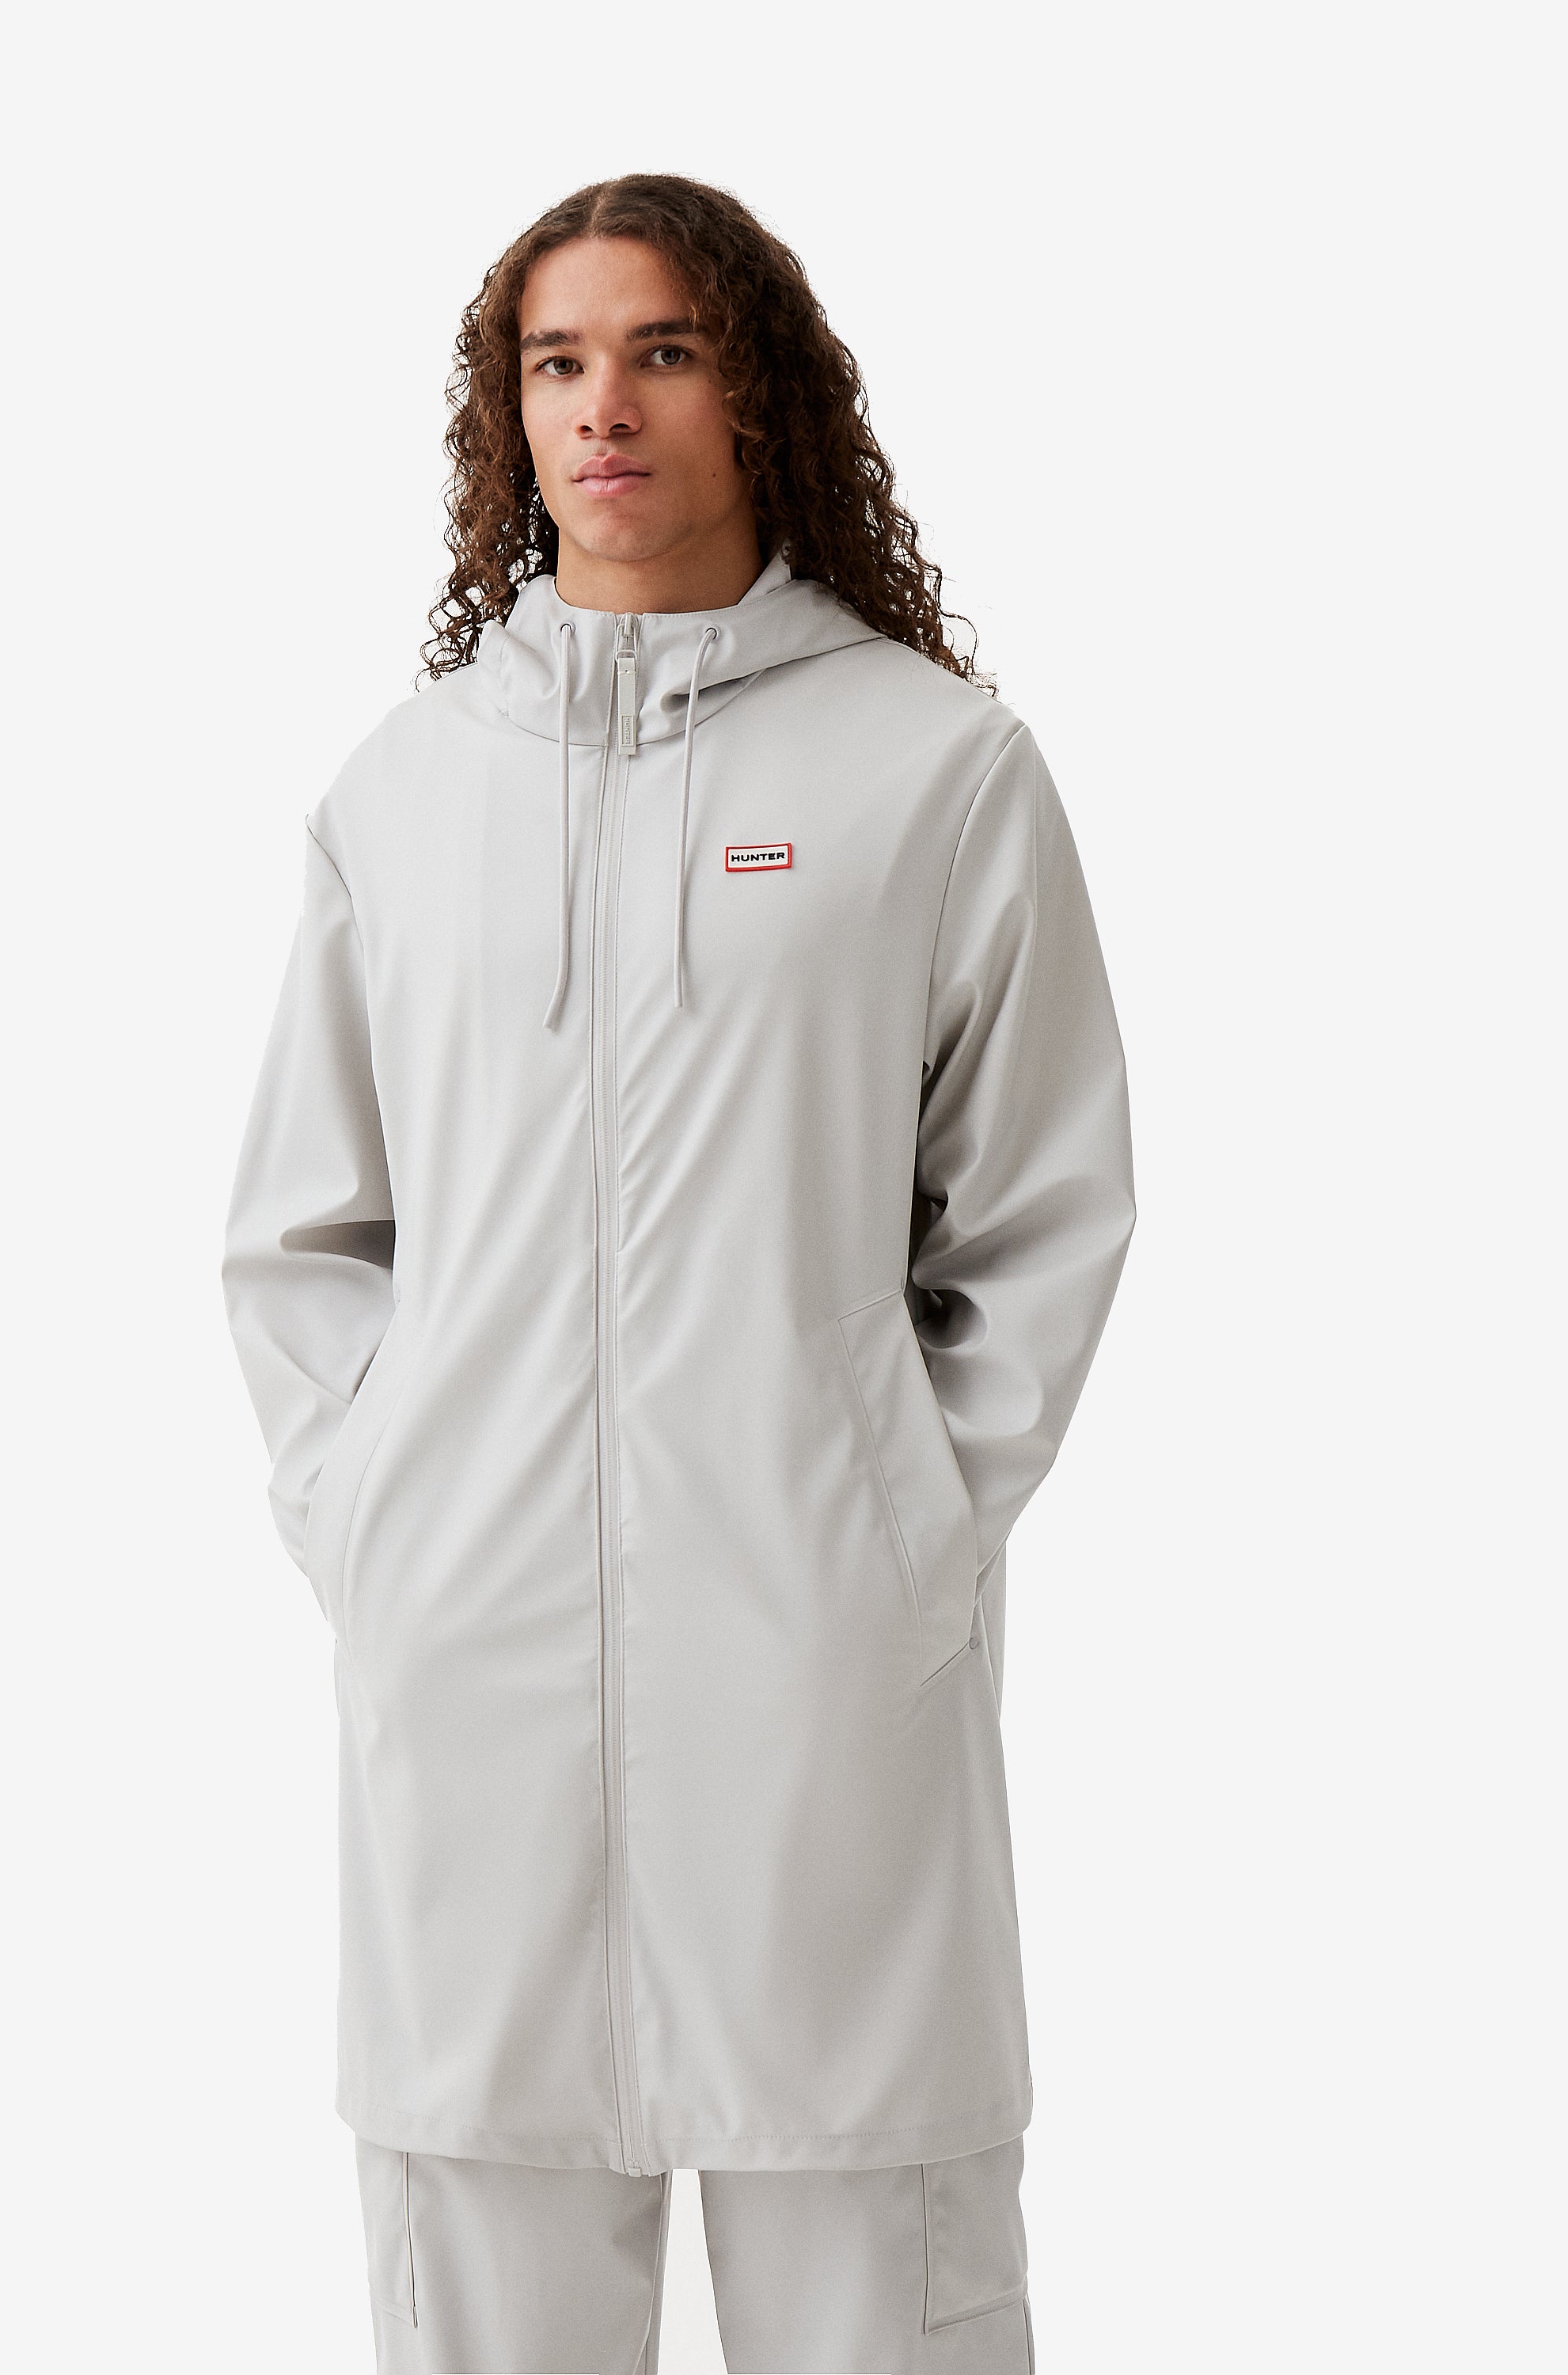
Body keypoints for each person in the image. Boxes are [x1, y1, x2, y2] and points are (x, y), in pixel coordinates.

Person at [222, 172, 1134, 2374]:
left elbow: (1037, 1212)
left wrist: (901, 1526)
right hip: (476, 1708)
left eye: (662, 350)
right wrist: (382, 1517)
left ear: (761, 395)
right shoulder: (406, 796)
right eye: (557, 362)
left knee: (883, 2294)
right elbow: (307, 1235)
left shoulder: (932, 772)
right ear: (509, 417)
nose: (603, 406)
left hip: (823, 1698)